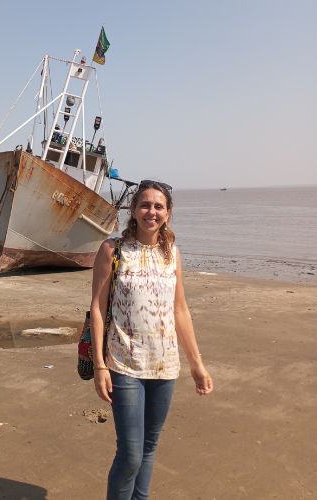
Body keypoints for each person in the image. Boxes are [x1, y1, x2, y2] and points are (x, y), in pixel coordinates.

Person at [90, 180, 213, 500]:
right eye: (145, 205)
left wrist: (196, 365)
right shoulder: (112, 250)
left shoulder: (172, 253)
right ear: (133, 210)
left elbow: (180, 310)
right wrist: (100, 366)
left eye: (159, 206)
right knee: (130, 454)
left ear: (168, 213)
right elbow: (97, 308)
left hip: (165, 366)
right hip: (125, 363)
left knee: (148, 449)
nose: (151, 212)